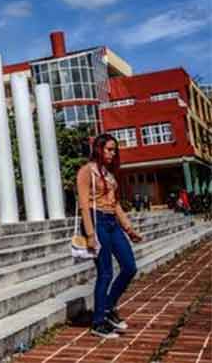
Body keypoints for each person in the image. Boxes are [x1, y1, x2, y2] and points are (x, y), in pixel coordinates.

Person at [77, 134, 142, 339]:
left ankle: (108, 307)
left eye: (115, 150)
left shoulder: (109, 174)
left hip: (113, 223)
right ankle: (98, 322)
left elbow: (116, 205)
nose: (113, 153)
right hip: (96, 222)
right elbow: (84, 206)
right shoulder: (86, 172)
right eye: (109, 149)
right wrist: (89, 234)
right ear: (98, 149)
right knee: (105, 272)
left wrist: (129, 230)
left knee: (130, 267)